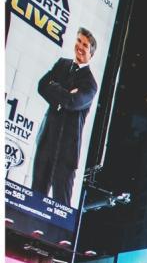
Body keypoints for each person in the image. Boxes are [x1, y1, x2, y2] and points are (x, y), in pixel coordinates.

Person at [32, 28, 99, 205]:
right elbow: (41, 85)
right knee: (34, 198)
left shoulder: (90, 84)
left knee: (60, 206)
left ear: (91, 52)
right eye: (79, 41)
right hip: (46, 142)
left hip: (66, 153)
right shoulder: (62, 64)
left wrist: (56, 90)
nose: (80, 46)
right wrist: (64, 96)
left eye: (85, 45)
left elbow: (73, 102)